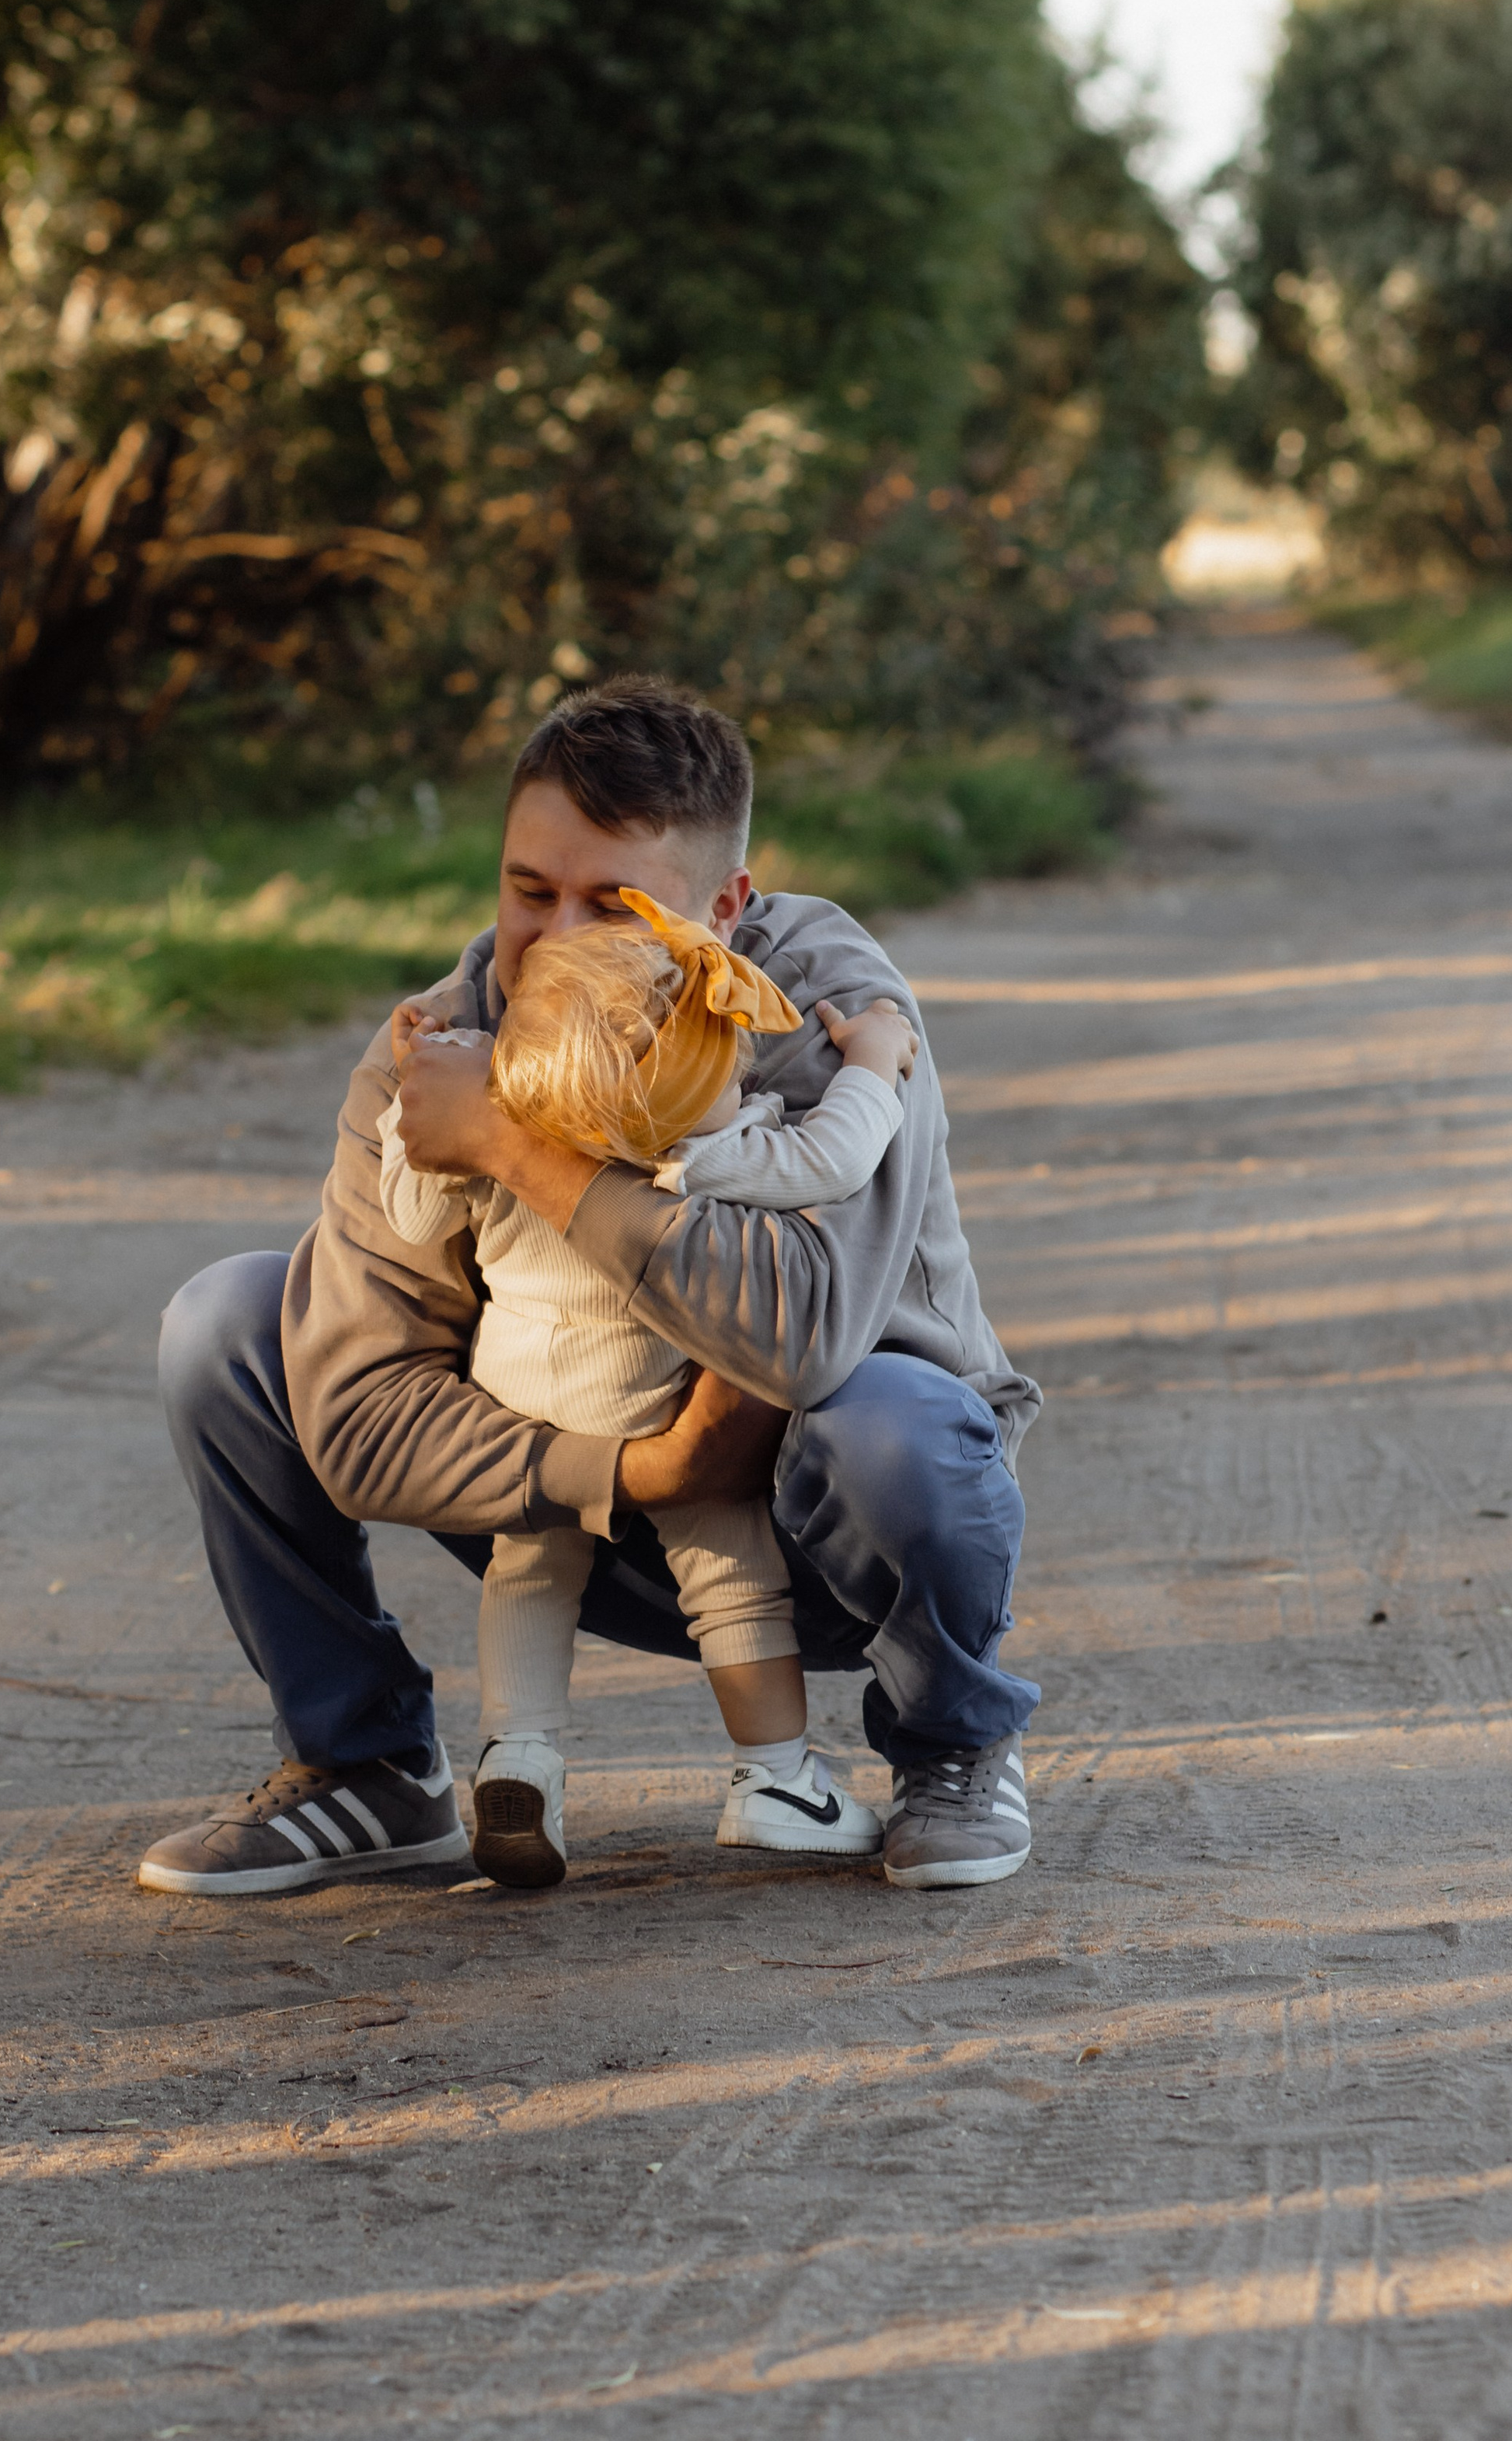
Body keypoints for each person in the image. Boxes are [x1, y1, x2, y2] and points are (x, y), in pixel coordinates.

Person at [138, 677, 1040, 1902]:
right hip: (568, 1503)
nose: (556, 939)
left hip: (823, 1533)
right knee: (230, 1326)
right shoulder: (438, 1043)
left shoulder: (816, 1006)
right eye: (529, 891)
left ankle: (951, 1744)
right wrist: (628, 1476)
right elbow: (353, 1419)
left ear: (724, 907)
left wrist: (517, 1150)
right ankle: (367, 1770)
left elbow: (810, 1340)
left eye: (611, 906)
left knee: (893, 1417)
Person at [378, 891, 922, 1885]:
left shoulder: (499, 1137)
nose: (746, 1065)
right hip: (649, 1407)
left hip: (522, 1402)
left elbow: (410, 1210)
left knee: (528, 1574)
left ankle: (521, 1760)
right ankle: (775, 1779)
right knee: (729, 1573)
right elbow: (838, 1156)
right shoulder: (702, 1156)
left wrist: (410, 1091)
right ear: (681, 1080)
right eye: (723, 1051)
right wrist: (875, 1060)